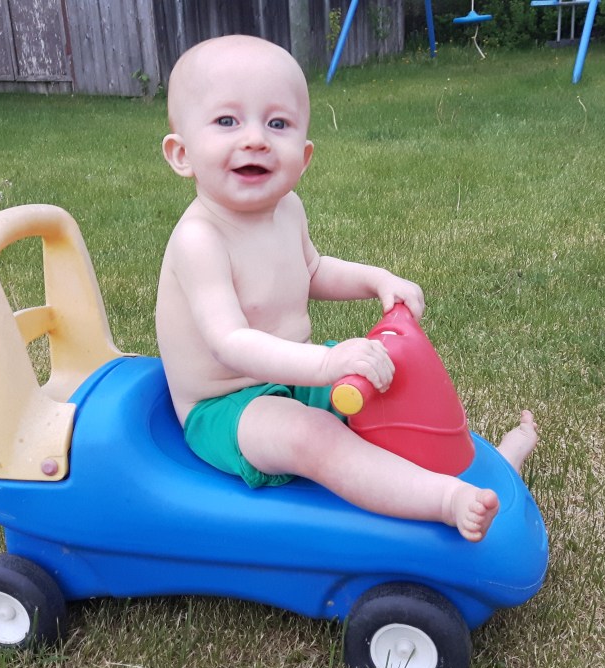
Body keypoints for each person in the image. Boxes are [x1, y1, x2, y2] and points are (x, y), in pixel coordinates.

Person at [155, 35, 537, 542]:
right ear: (181, 154)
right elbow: (231, 343)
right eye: (227, 121)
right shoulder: (199, 239)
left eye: (277, 123)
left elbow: (312, 271)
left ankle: (476, 466)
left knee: (388, 379)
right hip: (227, 407)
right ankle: (445, 500)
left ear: (304, 156)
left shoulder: (287, 209)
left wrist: (376, 280)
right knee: (310, 434)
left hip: (293, 374)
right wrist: (326, 363)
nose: (255, 139)